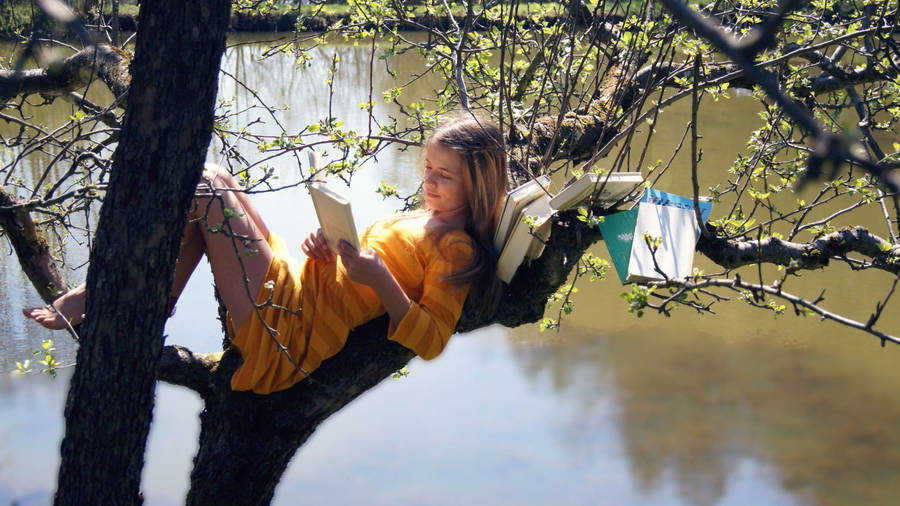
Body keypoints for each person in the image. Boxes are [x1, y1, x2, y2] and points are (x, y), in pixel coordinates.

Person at [24, 114, 509, 394]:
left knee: (207, 189)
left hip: (288, 325)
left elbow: (432, 340)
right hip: (297, 283)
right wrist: (326, 249)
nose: (427, 180)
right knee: (218, 179)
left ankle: (108, 296)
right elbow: (355, 276)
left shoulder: (456, 248)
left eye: (443, 175)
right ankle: (145, 300)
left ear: (478, 182)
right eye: (427, 167)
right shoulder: (423, 218)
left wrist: (379, 275)